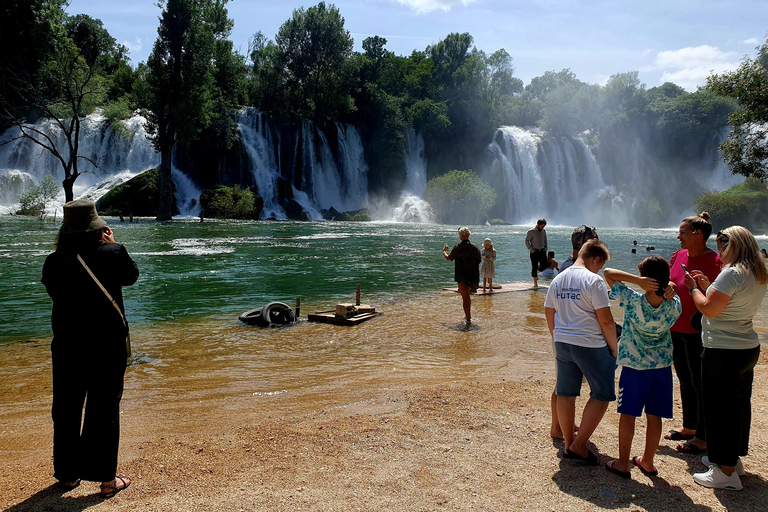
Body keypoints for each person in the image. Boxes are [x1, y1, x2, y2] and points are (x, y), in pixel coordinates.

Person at [41, 200, 139, 498]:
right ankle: (106, 480)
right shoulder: (113, 252)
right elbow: (131, 277)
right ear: (98, 226)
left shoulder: (53, 261)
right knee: (104, 408)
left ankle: (69, 475)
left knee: (67, 408)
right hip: (107, 345)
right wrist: (113, 242)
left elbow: (54, 292)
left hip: (68, 345)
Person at [687, 226, 768, 490]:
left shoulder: (731, 273)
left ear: (735, 244)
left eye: (723, 243)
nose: (719, 247)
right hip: (746, 347)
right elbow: (730, 303)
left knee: (719, 409)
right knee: (738, 407)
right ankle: (733, 461)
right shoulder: (757, 272)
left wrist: (692, 289)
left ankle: (725, 472)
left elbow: (709, 310)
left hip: (723, 350)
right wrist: (708, 286)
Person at [603, 258, 681, 479]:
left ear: (647, 279)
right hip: (662, 368)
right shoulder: (674, 305)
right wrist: (670, 285)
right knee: (654, 416)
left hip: (635, 368)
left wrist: (637, 281)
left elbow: (608, 272)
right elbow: (672, 291)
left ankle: (622, 463)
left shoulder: (632, 300)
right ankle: (647, 462)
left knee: (628, 415)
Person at [544, 239, 618, 463]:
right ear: (596, 259)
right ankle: (579, 444)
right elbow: (605, 320)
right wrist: (614, 349)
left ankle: (568, 443)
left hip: (563, 342)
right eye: (600, 265)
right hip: (589, 344)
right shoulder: (593, 281)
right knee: (602, 393)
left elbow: (549, 311)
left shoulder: (558, 279)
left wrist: (557, 336)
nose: (600, 270)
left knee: (566, 393)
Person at [664, 213, 722, 455]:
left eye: (683, 232)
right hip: (676, 327)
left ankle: (703, 436)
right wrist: (667, 287)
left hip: (700, 330)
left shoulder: (716, 261)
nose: (679, 236)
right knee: (685, 379)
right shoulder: (678, 256)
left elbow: (720, 298)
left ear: (698, 235)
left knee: (701, 383)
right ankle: (689, 427)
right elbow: (670, 280)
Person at [550, 224, 599, 439]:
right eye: (594, 243)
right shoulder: (570, 269)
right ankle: (557, 427)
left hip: (567, 335)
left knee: (566, 384)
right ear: (582, 246)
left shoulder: (571, 267)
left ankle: (561, 424)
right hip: (570, 337)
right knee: (563, 386)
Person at [444, 227, 482, 323]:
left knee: (465, 298)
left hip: (462, 275)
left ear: (460, 237)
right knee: (467, 296)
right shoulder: (475, 247)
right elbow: (479, 261)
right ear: (469, 235)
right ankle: (468, 316)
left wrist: (444, 252)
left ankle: (468, 318)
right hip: (473, 275)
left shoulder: (458, 247)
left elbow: (449, 258)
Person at [525, 218, 547, 288]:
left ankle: (536, 273)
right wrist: (530, 249)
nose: (542, 227)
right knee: (534, 266)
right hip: (534, 251)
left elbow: (545, 240)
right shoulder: (531, 231)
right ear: (538, 224)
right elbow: (526, 240)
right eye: (541, 226)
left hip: (542, 251)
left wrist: (546, 247)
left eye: (543, 226)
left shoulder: (543, 231)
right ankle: (535, 283)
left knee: (545, 265)